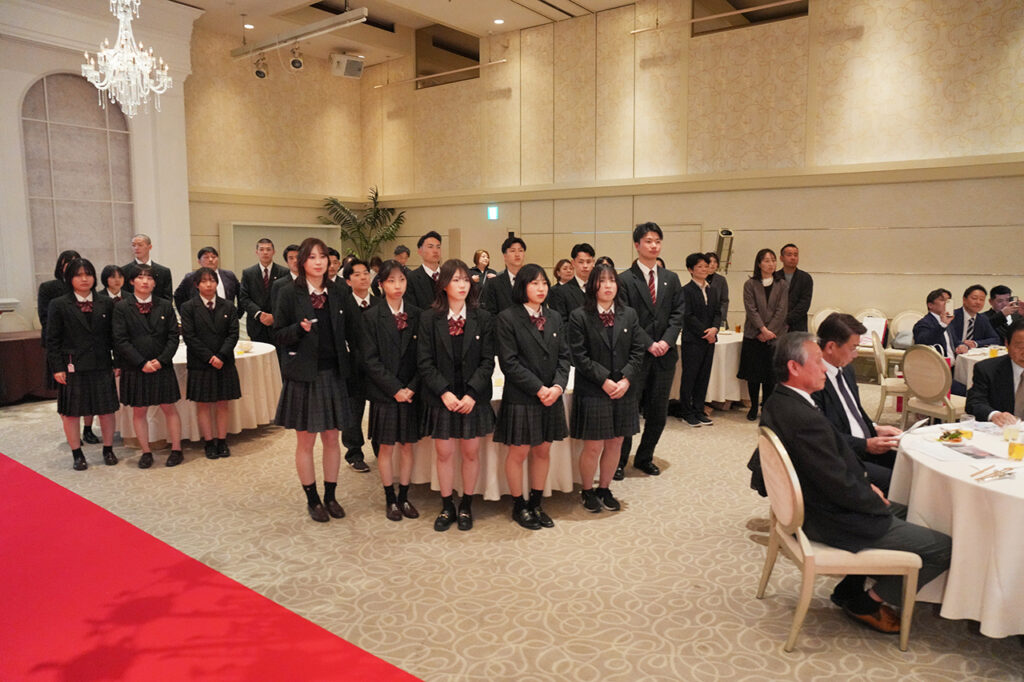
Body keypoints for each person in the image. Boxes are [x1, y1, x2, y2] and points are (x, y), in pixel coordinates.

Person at [761, 332, 951, 635]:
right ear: (794, 367)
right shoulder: (803, 418)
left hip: (822, 506)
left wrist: (866, 484)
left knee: (917, 510)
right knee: (944, 547)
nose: (824, 369)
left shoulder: (779, 401)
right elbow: (836, 484)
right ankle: (867, 601)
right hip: (833, 519)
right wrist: (872, 498)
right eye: (818, 361)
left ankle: (850, 587)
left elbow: (831, 468)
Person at [273, 237, 362, 523]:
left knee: (332, 438)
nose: (319, 261)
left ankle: (331, 496)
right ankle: (312, 499)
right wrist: (298, 330)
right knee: (306, 441)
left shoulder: (339, 291)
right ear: (302, 262)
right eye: (312, 257)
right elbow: (278, 334)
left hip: (334, 373)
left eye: (322, 256)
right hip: (304, 375)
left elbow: (355, 331)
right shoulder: (288, 292)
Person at [417, 259, 496, 532]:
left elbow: (488, 361)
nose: (462, 285)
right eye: (455, 280)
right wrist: (444, 392)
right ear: (444, 284)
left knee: (471, 452)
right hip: (443, 397)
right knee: (444, 453)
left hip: (472, 397)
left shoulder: (483, 317)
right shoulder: (429, 318)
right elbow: (424, 362)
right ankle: (447, 505)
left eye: (465, 280)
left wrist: (472, 394)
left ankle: (466, 505)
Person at [494, 263, 570, 530]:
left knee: (543, 450)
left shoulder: (555, 317)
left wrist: (557, 387)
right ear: (522, 287)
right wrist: (539, 389)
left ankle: (536, 503)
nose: (541, 288)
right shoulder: (507, 318)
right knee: (519, 452)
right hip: (523, 395)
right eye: (534, 283)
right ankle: (519, 505)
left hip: (551, 396)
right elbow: (509, 362)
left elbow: (564, 357)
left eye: (544, 283)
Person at [568, 264, 646, 512]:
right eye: (602, 281)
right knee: (594, 446)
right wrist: (604, 380)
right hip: (593, 389)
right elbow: (579, 356)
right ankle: (587, 490)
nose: (608, 285)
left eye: (612, 280)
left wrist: (626, 379)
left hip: (623, 389)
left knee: (616, 443)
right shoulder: (579, 316)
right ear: (593, 285)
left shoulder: (629, 314)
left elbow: (638, 351)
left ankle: (604, 487)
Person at [617, 222, 685, 477]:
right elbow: (626, 317)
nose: (654, 245)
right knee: (629, 410)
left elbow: (678, 314)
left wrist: (666, 341)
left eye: (657, 241)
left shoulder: (671, 278)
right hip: (636, 356)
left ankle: (645, 457)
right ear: (637, 245)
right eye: (648, 241)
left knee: (658, 412)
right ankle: (619, 461)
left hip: (665, 355)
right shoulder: (625, 279)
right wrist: (649, 343)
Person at [813, 313, 902, 492]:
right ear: (831, 347)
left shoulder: (846, 370)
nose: (856, 354)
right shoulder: (813, 380)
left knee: (910, 465)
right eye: (853, 347)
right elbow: (823, 436)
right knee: (896, 480)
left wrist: (875, 428)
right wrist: (866, 445)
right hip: (840, 456)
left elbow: (854, 410)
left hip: (864, 445)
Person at [362, 260, 422, 521]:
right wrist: (395, 388)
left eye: (402, 280)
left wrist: (411, 388)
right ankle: (390, 499)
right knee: (386, 447)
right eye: (391, 281)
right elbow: (370, 360)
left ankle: (404, 496)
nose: (397, 286)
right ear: (381, 284)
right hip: (385, 393)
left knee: (408, 446)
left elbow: (424, 358)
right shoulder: (371, 316)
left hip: (411, 392)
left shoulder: (418, 314)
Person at [45, 258, 119, 470]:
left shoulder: (105, 302)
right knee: (71, 413)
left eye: (88, 274)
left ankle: (108, 449)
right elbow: (52, 340)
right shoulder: (59, 304)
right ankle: (77, 453)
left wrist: (117, 362)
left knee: (106, 410)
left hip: (101, 364)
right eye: (78, 275)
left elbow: (114, 336)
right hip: (72, 366)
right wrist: (57, 368)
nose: (84, 279)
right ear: (70, 278)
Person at [113, 265, 183, 468]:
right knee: (139, 411)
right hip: (136, 367)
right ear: (131, 281)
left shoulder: (165, 305)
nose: (145, 281)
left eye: (149, 278)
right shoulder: (122, 307)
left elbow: (173, 336)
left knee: (169, 408)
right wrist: (141, 362)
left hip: (162, 365)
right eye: (140, 277)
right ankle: (145, 452)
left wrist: (161, 360)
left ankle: (177, 449)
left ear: (154, 283)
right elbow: (120, 340)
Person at [39, 250, 100, 444]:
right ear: (61, 266)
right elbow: (45, 319)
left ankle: (88, 429)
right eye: (68, 263)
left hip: (88, 350)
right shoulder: (49, 288)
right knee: (68, 395)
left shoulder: (91, 292)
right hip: (63, 349)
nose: (72, 266)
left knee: (90, 395)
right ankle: (72, 433)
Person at [180, 267, 241, 460]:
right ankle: (208, 442)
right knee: (204, 405)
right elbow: (189, 337)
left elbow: (233, 334)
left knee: (223, 403)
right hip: (201, 363)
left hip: (224, 361)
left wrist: (221, 356)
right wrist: (209, 357)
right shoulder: (188, 307)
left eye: (212, 280)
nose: (209, 284)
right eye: (204, 281)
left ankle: (222, 440)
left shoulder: (228, 306)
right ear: (196, 285)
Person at [738, 248, 788, 421]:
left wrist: (769, 331)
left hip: (774, 335)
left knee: (770, 375)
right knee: (753, 374)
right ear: (759, 264)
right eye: (766, 261)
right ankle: (753, 406)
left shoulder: (782, 284)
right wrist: (762, 329)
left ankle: (766, 406)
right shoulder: (750, 284)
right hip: (754, 335)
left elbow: (782, 310)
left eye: (773, 260)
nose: (771, 264)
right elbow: (750, 309)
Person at [341, 258, 378, 473]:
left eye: (366, 273)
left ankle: (381, 448)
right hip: (352, 367)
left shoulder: (380, 304)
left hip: (377, 368)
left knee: (379, 410)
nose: (363, 277)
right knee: (353, 412)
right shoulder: (342, 306)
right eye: (357, 274)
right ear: (348, 281)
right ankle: (354, 453)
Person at [678, 252, 721, 428]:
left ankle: (698, 409)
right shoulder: (685, 290)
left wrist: (715, 329)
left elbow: (718, 312)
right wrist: (706, 332)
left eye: (706, 266)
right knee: (690, 376)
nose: (704, 269)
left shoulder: (712, 289)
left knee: (704, 376)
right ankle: (686, 412)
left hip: (709, 340)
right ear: (691, 269)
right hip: (693, 340)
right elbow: (688, 316)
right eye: (700, 266)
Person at [966, 318, 1024, 426]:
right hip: (1002, 430)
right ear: (1007, 344)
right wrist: (994, 415)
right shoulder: (987, 369)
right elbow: (974, 402)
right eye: (1020, 346)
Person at [238, 238, 289, 345]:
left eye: (268, 249)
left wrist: (274, 316)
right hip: (256, 325)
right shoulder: (248, 273)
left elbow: (286, 299)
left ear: (273, 252)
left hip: (277, 324)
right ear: (257, 252)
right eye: (261, 249)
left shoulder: (284, 272)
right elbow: (244, 298)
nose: (265, 252)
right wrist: (259, 314)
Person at [173, 246, 239, 313]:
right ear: (199, 261)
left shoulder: (229, 275)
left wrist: (237, 314)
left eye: (213, 257)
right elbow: (178, 296)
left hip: (226, 315)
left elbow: (240, 294)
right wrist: (186, 315)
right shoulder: (191, 277)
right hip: (199, 316)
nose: (210, 259)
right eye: (206, 257)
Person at [548, 243, 594, 322]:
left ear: (593, 263)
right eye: (581, 262)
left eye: (588, 262)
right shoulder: (561, 291)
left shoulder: (597, 288)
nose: (585, 266)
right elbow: (561, 322)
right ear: (573, 263)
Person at [481, 236, 527, 316]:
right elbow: (490, 314)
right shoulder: (494, 284)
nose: (517, 254)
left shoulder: (532, 281)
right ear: (505, 256)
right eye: (512, 251)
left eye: (520, 250)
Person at [948, 284, 1000, 352]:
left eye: (982, 299)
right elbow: (950, 337)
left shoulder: (983, 319)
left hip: (973, 355)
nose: (978, 302)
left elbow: (995, 339)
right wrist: (961, 345)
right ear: (964, 299)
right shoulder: (952, 316)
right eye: (974, 298)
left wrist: (975, 343)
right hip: (954, 353)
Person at [122, 233, 173, 302]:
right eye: (133, 245)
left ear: (150, 247)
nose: (136, 248)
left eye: (140, 245)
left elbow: (167, 298)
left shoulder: (163, 271)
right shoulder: (124, 271)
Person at [404, 232, 443, 310]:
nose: (435, 251)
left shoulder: (449, 275)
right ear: (420, 251)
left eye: (438, 247)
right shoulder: (411, 278)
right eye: (430, 247)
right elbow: (411, 309)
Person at [780, 243, 813, 332]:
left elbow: (804, 304)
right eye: (789, 255)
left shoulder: (805, 278)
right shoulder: (775, 277)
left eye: (796, 255)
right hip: (776, 327)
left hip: (798, 326)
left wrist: (786, 320)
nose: (793, 258)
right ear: (781, 258)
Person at [269, 244, 301, 311]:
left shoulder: (312, 281)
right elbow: (277, 311)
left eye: (298, 257)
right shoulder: (279, 285)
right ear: (287, 262)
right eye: (291, 258)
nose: (295, 260)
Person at [706, 252, 729, 328]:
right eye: (710, 262)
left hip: (718, 318)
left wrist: (721, 318)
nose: (712, 264)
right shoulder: (699, 278)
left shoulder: (721, 280)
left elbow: (724, 301)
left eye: (715, 262)